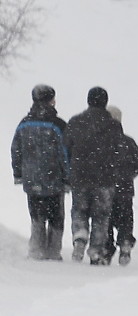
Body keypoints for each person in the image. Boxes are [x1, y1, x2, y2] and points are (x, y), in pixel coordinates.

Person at [64, 86, 123, 264]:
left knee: (80, 210)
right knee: (101, 215)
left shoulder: (75, 122)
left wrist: (72, 168)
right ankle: (96, 250)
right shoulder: (114, 125)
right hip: (105, 178)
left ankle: (80, 235)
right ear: (105, 102)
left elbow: (66, 148)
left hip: (80, 176)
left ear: (88, 101)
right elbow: (118, 151)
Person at [11, 84, 68, 261]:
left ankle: (36, 249)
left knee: (36, 214)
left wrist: (18, 173)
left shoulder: (24, 124)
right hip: (54, 179)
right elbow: (65, 153)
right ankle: (53, 250)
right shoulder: (58, 124)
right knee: (56, 216)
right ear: (51, 101)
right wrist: (67, 177)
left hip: (31, 178)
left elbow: (16, 150)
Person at [106, 105, 138, 266]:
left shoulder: (99, 142)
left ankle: (106, 249)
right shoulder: (128, 142)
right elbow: (137, 165)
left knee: (105, 219)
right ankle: (125, 243)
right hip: (125, 188)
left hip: (105, 188)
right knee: (125, 218)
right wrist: (127, 177)